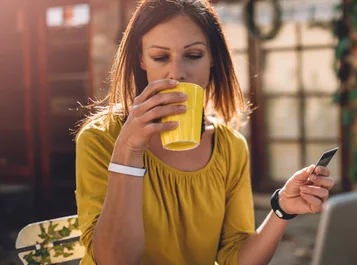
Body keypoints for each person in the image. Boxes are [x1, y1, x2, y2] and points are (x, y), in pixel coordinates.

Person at [74, 0, 335, 264]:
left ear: (212, 59)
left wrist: (282, 210)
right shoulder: (100, 140)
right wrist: (128, 152)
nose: (177, 73)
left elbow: (235, 257)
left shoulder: (230, 146)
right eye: (161, 57)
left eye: (194, 55)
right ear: (141, 59)